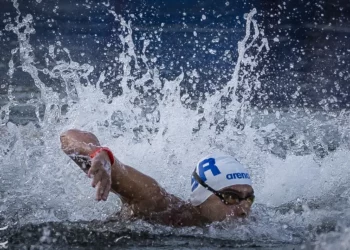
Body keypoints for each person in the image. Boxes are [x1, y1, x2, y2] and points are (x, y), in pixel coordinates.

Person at [60, 129, 255, 227]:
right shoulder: (156, 202)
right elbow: (69, 135)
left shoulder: (253, 223)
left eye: (249, 199)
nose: (244, 210)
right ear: (202, 196)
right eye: (231, 197)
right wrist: (96, 153)